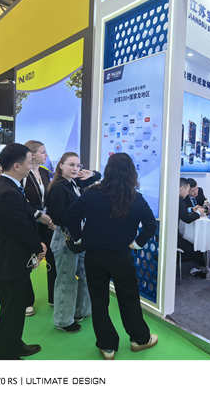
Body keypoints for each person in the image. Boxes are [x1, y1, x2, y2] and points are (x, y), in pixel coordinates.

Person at [66, 153, 157, 360]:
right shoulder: (136, 198)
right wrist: (137, 243)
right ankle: (140, 339)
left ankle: (107, 346)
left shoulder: (92, 193)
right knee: (129, 299)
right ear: (131, 173)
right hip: (121, 257)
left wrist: (79, 238)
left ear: (108, 170)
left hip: (94, 256)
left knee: (99, 302)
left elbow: (71, 215)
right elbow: (150, 225)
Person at [0, 143, 46, 360]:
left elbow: (23, 215)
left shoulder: (10, 187)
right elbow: (19, 228)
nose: (31, 166)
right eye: (29, 162)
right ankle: (6, 356)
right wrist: (38, 246)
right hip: (10, 262)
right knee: (11, 312)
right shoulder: (8, 192)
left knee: (16, 308)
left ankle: (15, 345)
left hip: (13, 260)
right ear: (16, 165)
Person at [45, 152, 100, 333]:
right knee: (66, 279)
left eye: (78, 165)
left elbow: (97, 177)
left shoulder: (73, 183)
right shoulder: (59, 188)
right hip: (66, 237)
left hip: (78, 237)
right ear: (61, 165)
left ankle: (80, 311)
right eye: (71, 165)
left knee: (83, 274)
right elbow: (59, 217)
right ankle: (63, 320)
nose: (75, 168)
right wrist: (81, 215)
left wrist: (89, 173)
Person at [22, 140, 56, 315]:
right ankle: (27, 301)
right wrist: (37, 215)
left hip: (47, 223)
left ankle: (54, 297)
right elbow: (21, 202)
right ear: (32, 154)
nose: (46, 155)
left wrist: (51, 218)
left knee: (52, 259)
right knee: (27, 261)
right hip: (29, 223)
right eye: (43, 152)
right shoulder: (23, 174)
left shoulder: (44, 172)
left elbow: (49, 198)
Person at [178, 178, 204, 257]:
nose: (187, 193)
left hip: (172, 233)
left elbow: (182, 211)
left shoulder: (175, 198)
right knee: (196, 251)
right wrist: (198, 213)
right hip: (173, 236)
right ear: (182, 188)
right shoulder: (180, 200)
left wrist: (192, 209)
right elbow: (186, 218)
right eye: (188, 190)